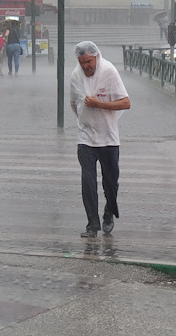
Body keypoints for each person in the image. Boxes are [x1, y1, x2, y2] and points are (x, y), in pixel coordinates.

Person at [69, 41, 131, 238]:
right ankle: (92, 225)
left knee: (110, 182)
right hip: (85, 137)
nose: (86, 66)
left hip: (109, 137)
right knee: (87, 182)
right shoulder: (75, 76)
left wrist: (98, 104)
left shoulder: (109, 72)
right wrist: (85, 120)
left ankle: (108, 212)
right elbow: (74, 103)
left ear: (96, 57)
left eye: (88, 61)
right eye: (81, 62)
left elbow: (126, 103)